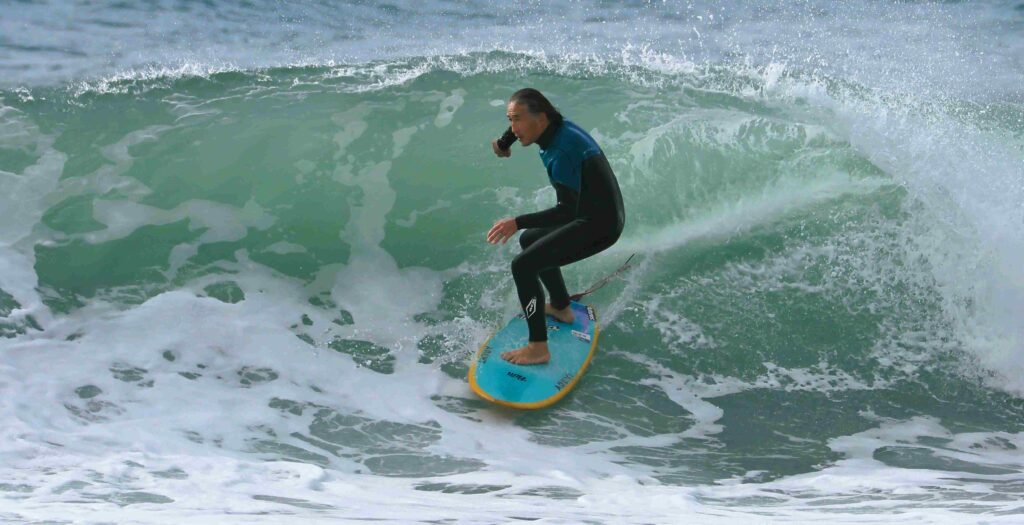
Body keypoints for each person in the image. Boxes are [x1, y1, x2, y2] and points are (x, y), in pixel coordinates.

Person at [486, 88, 625, 365]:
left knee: (523, 266)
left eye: (517, 120)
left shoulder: (562, 152)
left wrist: (517, 222)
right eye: (510, 120)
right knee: (530, 241)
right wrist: (504, 142)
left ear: (541, 118)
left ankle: (538, 347)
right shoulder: (556, 128)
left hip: (601, 225)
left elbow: (566, 212)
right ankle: (561, 307)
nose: (513, 127)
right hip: (593, 212)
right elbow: (522, 124)